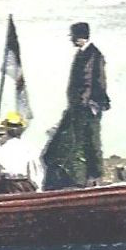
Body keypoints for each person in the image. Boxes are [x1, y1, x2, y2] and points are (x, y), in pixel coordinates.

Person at [44, 22, 109, 189]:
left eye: (72, 36)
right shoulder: (83, 53)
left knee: (89, 139)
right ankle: (84, 175)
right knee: (79, 139)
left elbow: (92, 82)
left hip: (86, 107)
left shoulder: (93, 54)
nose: (71, 40)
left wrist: (88, 105)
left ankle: (93, 176)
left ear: (80, 37)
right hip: (78, 106)